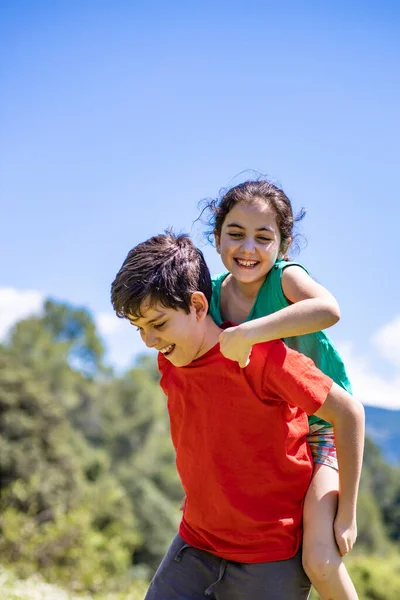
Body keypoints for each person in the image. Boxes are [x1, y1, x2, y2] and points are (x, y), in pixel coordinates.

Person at [111, 231, 364, 600]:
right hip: (195, 544)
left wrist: (347, 514)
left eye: (159, 324)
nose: (149, 341)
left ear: (198, 306)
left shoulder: (261, 357)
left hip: (270, 557)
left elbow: (349, 413)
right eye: (140, 328)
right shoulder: (169, 362)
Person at [200, 178, 359, 599]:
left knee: (320, 561)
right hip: (270, 434)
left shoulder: (286, 279)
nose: (247, 248)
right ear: (216, 239)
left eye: (263, 237)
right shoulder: (212, 296)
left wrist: (348, 514)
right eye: (235, 234)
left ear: (282, 247)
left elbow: (328, 309)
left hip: (322, 428)